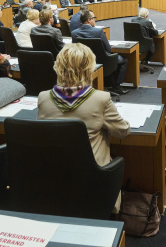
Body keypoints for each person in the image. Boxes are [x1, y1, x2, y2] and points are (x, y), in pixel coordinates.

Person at [37, 43, 130, 210]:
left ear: (58, 67)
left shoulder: (43, 98)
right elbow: (123, 131)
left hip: (53, 172)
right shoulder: (101, 99)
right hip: (92, 174)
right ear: (89, 68)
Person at [72, 10, 128, 94]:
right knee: (123, 60)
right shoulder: (98, 32)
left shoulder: (74, 33)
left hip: (83, 62)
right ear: (88, 20)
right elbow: (108, 49)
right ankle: (116, 86)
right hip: (102, 61)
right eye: (93, 18)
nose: (95, 20)